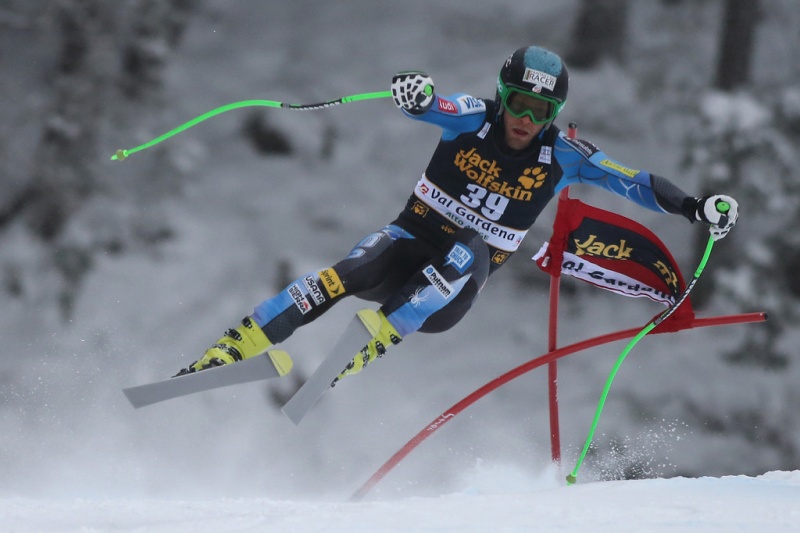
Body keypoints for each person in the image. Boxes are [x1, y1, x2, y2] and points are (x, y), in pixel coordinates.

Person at [176, 45, 739, 382]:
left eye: (540, 110)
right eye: (518, 102)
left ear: (554, 114)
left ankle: (369, 343)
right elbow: (429, 103)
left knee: (470, 243)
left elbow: (634, 183)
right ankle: (234, 346)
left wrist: (694, 207)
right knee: (348, 273)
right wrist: (413, 91)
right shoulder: (473, 118)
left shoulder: (565, 155)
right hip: (404, 245)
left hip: (447, 294)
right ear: (502, 95)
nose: (524, 118)